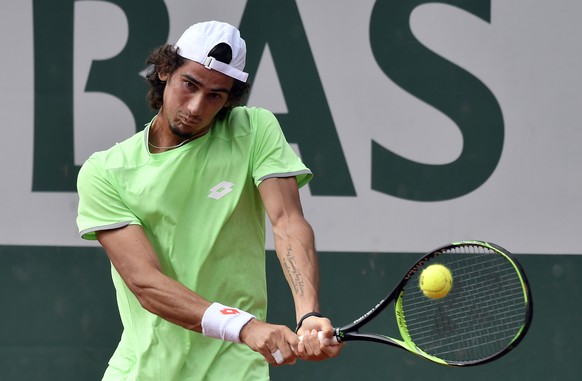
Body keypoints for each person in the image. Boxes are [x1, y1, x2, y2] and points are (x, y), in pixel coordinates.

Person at [76, 20, 342, 380]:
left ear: (229, 99)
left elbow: (288, 223)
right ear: (166, 71)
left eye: (215, 95)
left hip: (234, 370)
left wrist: (308, 315)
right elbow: (145, 284)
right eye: (190, 85)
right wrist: (245, 327)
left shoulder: (254, 130)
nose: (197, 106)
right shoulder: (106, 172)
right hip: (142, 371)